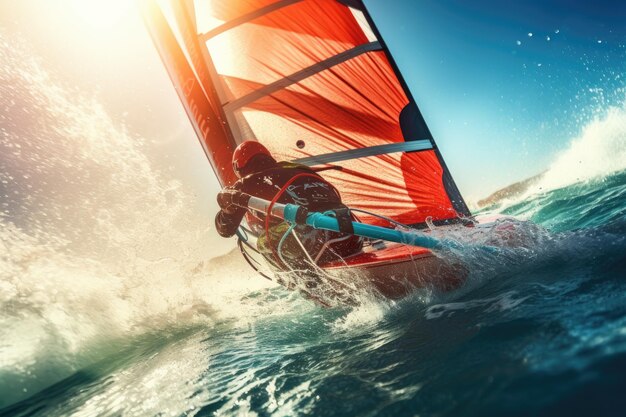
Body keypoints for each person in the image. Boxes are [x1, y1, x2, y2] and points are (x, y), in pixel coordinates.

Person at [215, 141, 362, 271]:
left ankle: (303, 285)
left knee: (263, 242)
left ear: (238, 167)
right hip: (351, 231)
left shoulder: (245, 184)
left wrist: (227, 207)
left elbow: (226, 230)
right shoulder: (302, 170)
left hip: (311, 240)